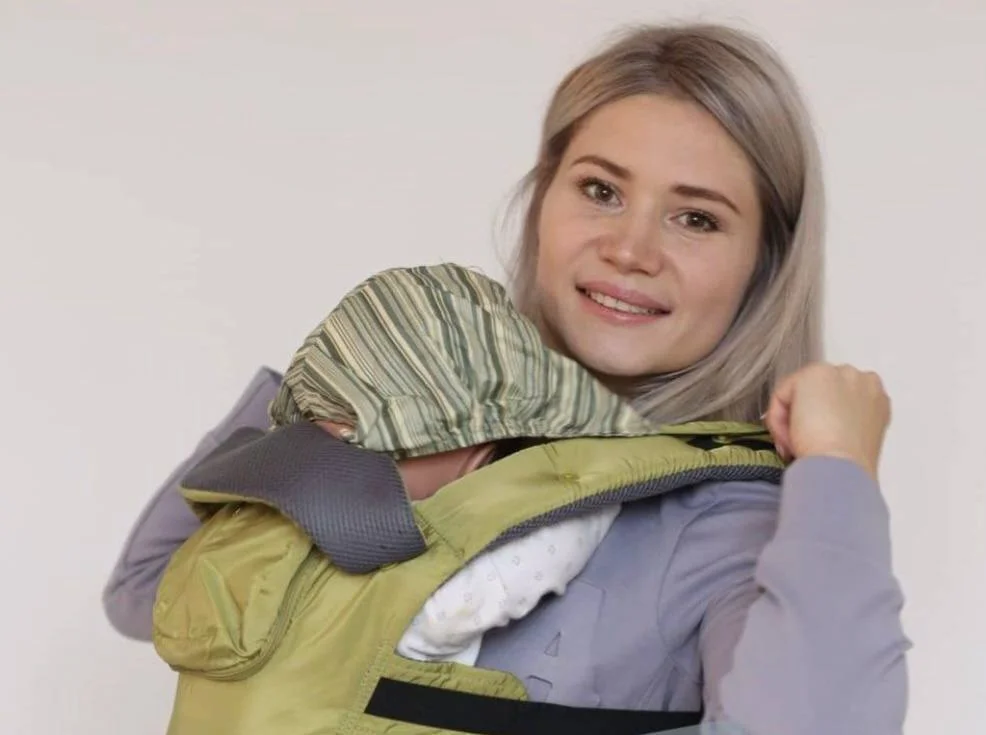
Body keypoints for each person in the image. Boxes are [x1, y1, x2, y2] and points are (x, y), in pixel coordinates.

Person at [104, 22, 909, 735]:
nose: (630, 249)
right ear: (539, 202)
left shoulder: (727, 519)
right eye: (600, 190)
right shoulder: (434, 420)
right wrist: (322, 396)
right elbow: (147, 594)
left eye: (694, 217)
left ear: (763, 265)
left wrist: (838, 471)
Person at [268, 262, 652, 665]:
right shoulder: (314, 505)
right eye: (310, 433)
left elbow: (432, 626)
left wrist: (327, 598)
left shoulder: (552, 516)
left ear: (473, 448)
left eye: (355, 442)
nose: (326, 465)